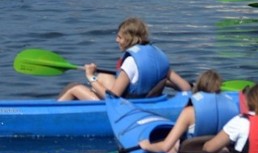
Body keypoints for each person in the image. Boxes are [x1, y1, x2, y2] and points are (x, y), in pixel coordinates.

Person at [58, 17, 191, 102]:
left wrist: (90, 76)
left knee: (73, 87)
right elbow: (185, 87)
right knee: (104, 75)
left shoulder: (130, 62)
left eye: (119, 37)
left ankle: (52, 113)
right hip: (148, 100)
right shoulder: (159, 56)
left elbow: (113, 98)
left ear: (129, 38)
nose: (116, 40)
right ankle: (89, 96)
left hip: (127, 106)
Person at [139, 70, 232, 153]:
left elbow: (165, 147)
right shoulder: (231, 110)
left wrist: (147, 146)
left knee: (173, 145)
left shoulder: (189, 113)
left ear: (199, 87)